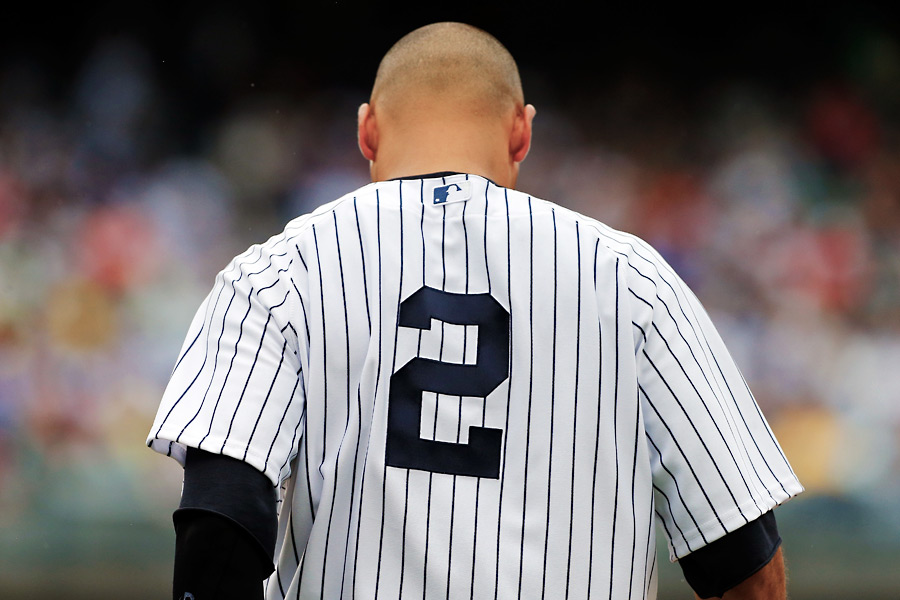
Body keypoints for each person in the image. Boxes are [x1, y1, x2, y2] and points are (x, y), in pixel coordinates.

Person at [147, 21, 803, 600]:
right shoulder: (633, 283)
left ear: (367, 132)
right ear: (521, 133)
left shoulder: (275, 275)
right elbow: (742, 559)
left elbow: (220, 525)